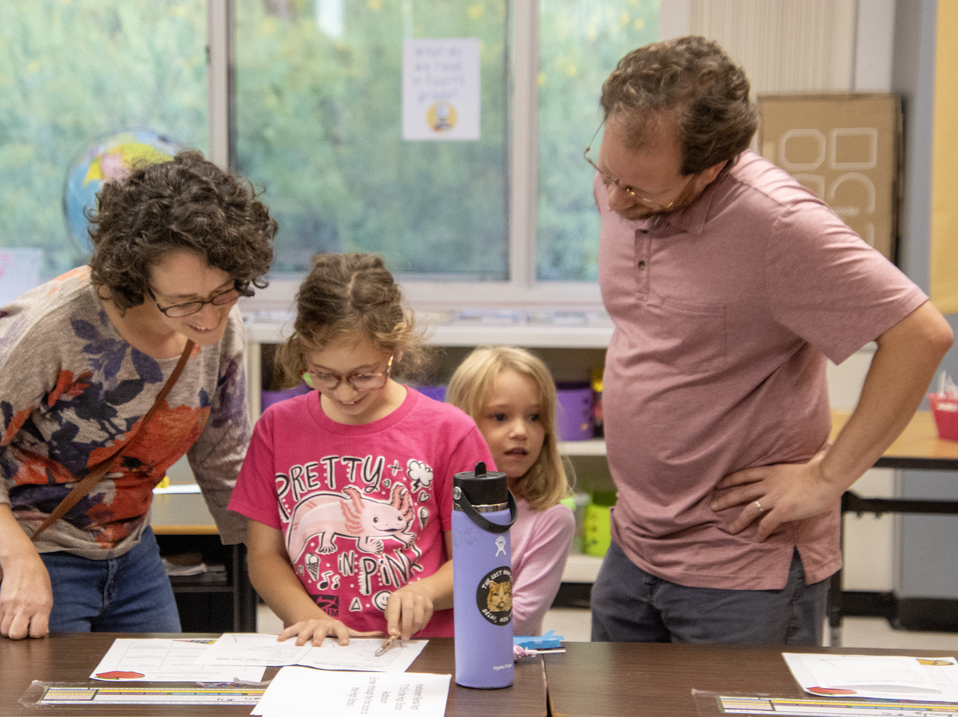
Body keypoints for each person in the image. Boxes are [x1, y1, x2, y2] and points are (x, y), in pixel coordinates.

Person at [586, 36, 953, 644]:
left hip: (741, 567)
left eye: (641, 190)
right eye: (607, 173)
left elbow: (920, 336)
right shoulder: (623, 184)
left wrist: (826, 478)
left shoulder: (779, 223)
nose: (616, 201)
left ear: (711, 168)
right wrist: (631, 186)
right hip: (633, 548)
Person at [0, 150, 277, 639]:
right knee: (39, 689)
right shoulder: (52, 326)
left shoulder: (221, 324)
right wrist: (20, 558)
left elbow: (223, 459)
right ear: (136, 281)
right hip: (13, 544)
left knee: (160, 685)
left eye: (224, 293)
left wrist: (277, 565)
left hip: (127, 547)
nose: (208, 318)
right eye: (182, 303)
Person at [228, 252, 496, 646]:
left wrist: (425, 592)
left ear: (396, 348)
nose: (345, 392)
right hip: (320, 649)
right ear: (303, 353)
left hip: (423, 650)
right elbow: (265, 557)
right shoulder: (276, 428)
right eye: (324, 375)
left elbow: (481, 558)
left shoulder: (451, 433)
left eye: (364, 375)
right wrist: (309, 616)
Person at [447, 345, 576, 637]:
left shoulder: (552, 519)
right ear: (463, 422)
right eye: (500, 417)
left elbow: (518, 620)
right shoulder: (439, 506)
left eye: (534, 417)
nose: (520, 431)